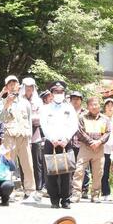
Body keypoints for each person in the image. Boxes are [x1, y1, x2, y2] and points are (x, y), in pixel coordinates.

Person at [0, 75, 36, 202]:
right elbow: (0, 119)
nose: (13, 86)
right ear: (7, 87)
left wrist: (29, 138)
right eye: (10, 84)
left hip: (24, 137)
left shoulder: (25, 102)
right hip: (9, 137)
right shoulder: (3, 102)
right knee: (8, 165)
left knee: (28, 165)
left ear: (19, 86)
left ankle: (30, 192)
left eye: (15, 84)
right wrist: (7, 104)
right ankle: (8, 191)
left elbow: (29, 120)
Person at [40, 80, 78, 209]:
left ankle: (66, 199)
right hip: (51, 143)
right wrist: (52, 139)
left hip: (65, 143)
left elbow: (74, 125)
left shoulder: (69, 108)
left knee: (66, 173)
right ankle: (54, 199)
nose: (59, 94)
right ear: (51, 93)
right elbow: (43, 126)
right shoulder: (45, 109)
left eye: (61, 92)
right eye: (56, 92)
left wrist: (66, 139)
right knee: (52, 172)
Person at [72, 96, 108, 202]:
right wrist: (91, 142)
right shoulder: (82, 117)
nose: (94, 106)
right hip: (85, 148)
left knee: (98, 172)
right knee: (79, 170)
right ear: (87, 106)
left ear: (99, 106)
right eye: (91, 105)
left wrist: (99, 142)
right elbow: (80, 131)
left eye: (96, 104)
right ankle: (76, 195)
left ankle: (95, 195)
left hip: (99, 148)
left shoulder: (104, 119)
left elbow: (108, 132)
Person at [23, 77, 45, 199]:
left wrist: (28, 119)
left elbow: (40, 119)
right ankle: (26, 188)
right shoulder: (19, 100)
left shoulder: (38, 101)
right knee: (24, 163)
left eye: (31, 87)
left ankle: (38, 188)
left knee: (37, 162)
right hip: (22, 136)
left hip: (35, 135)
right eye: (26, 87)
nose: (29, 89)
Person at [101, 98, 113, 200]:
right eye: (107, 105)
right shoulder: (101, 118)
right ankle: (105, 193)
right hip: (104, 148)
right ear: (105, 107)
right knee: (104, 172)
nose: (109, 108)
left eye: (111, 106)